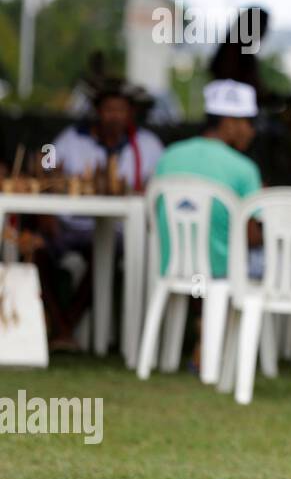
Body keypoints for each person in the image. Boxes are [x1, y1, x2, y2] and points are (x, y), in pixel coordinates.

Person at [35, 79, 165, 347]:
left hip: (119, 230)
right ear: (97, 111)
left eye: (121, 110)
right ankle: (62, 325)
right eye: (109, 109)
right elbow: (45, 166)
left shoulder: (148, 144)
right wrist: (45, 182)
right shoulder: (72, 138)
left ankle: (63, 327)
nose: (114, 116)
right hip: (69, 225)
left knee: (104, 252)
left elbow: (162, 184)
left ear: (131, 113)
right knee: (37, 249)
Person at [153, 79, 263, 281]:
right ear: (229, 123)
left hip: (172, 269)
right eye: (249, 123)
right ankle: (232, 312)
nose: (252, 131)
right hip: (220, 274)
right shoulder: (244, 168)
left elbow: (153, 217)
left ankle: (202, 312)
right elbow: (252, 237)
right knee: (278, 258)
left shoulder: (168, 156)